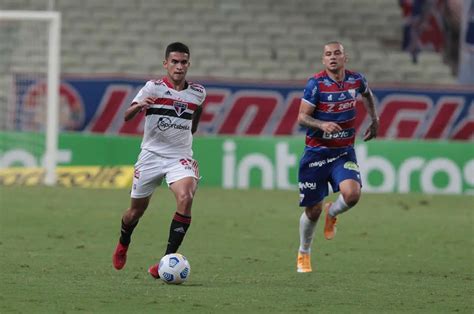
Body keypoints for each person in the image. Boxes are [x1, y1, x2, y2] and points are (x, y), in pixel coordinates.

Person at [112, 42, 206, 279]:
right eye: (174, 62)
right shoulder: (152, 88)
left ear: (188, 64)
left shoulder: (197, 92)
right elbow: (126, 116)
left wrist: (189, 132)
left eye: (184, 62)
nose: (179, 66)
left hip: (180, 157)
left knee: (186, 197)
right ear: (166, 64)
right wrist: (139, 107)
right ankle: (123, 242)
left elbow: (196, 114)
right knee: (135, 211)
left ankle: (166, 261)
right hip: (151, 156)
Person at [296, 41, 379, 273]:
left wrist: (375, 120)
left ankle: (333, 212)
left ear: (345, 57)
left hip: (343, 152)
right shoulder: (316, 84)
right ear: (323, 60)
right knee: (313, 211)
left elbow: (368, 95)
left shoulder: (356, 79)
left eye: (337, 53)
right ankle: (304, 252)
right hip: (316, 154)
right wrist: (321, 124)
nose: (332, 57)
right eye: (328, 54)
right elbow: (302, 117)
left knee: (352, 195)